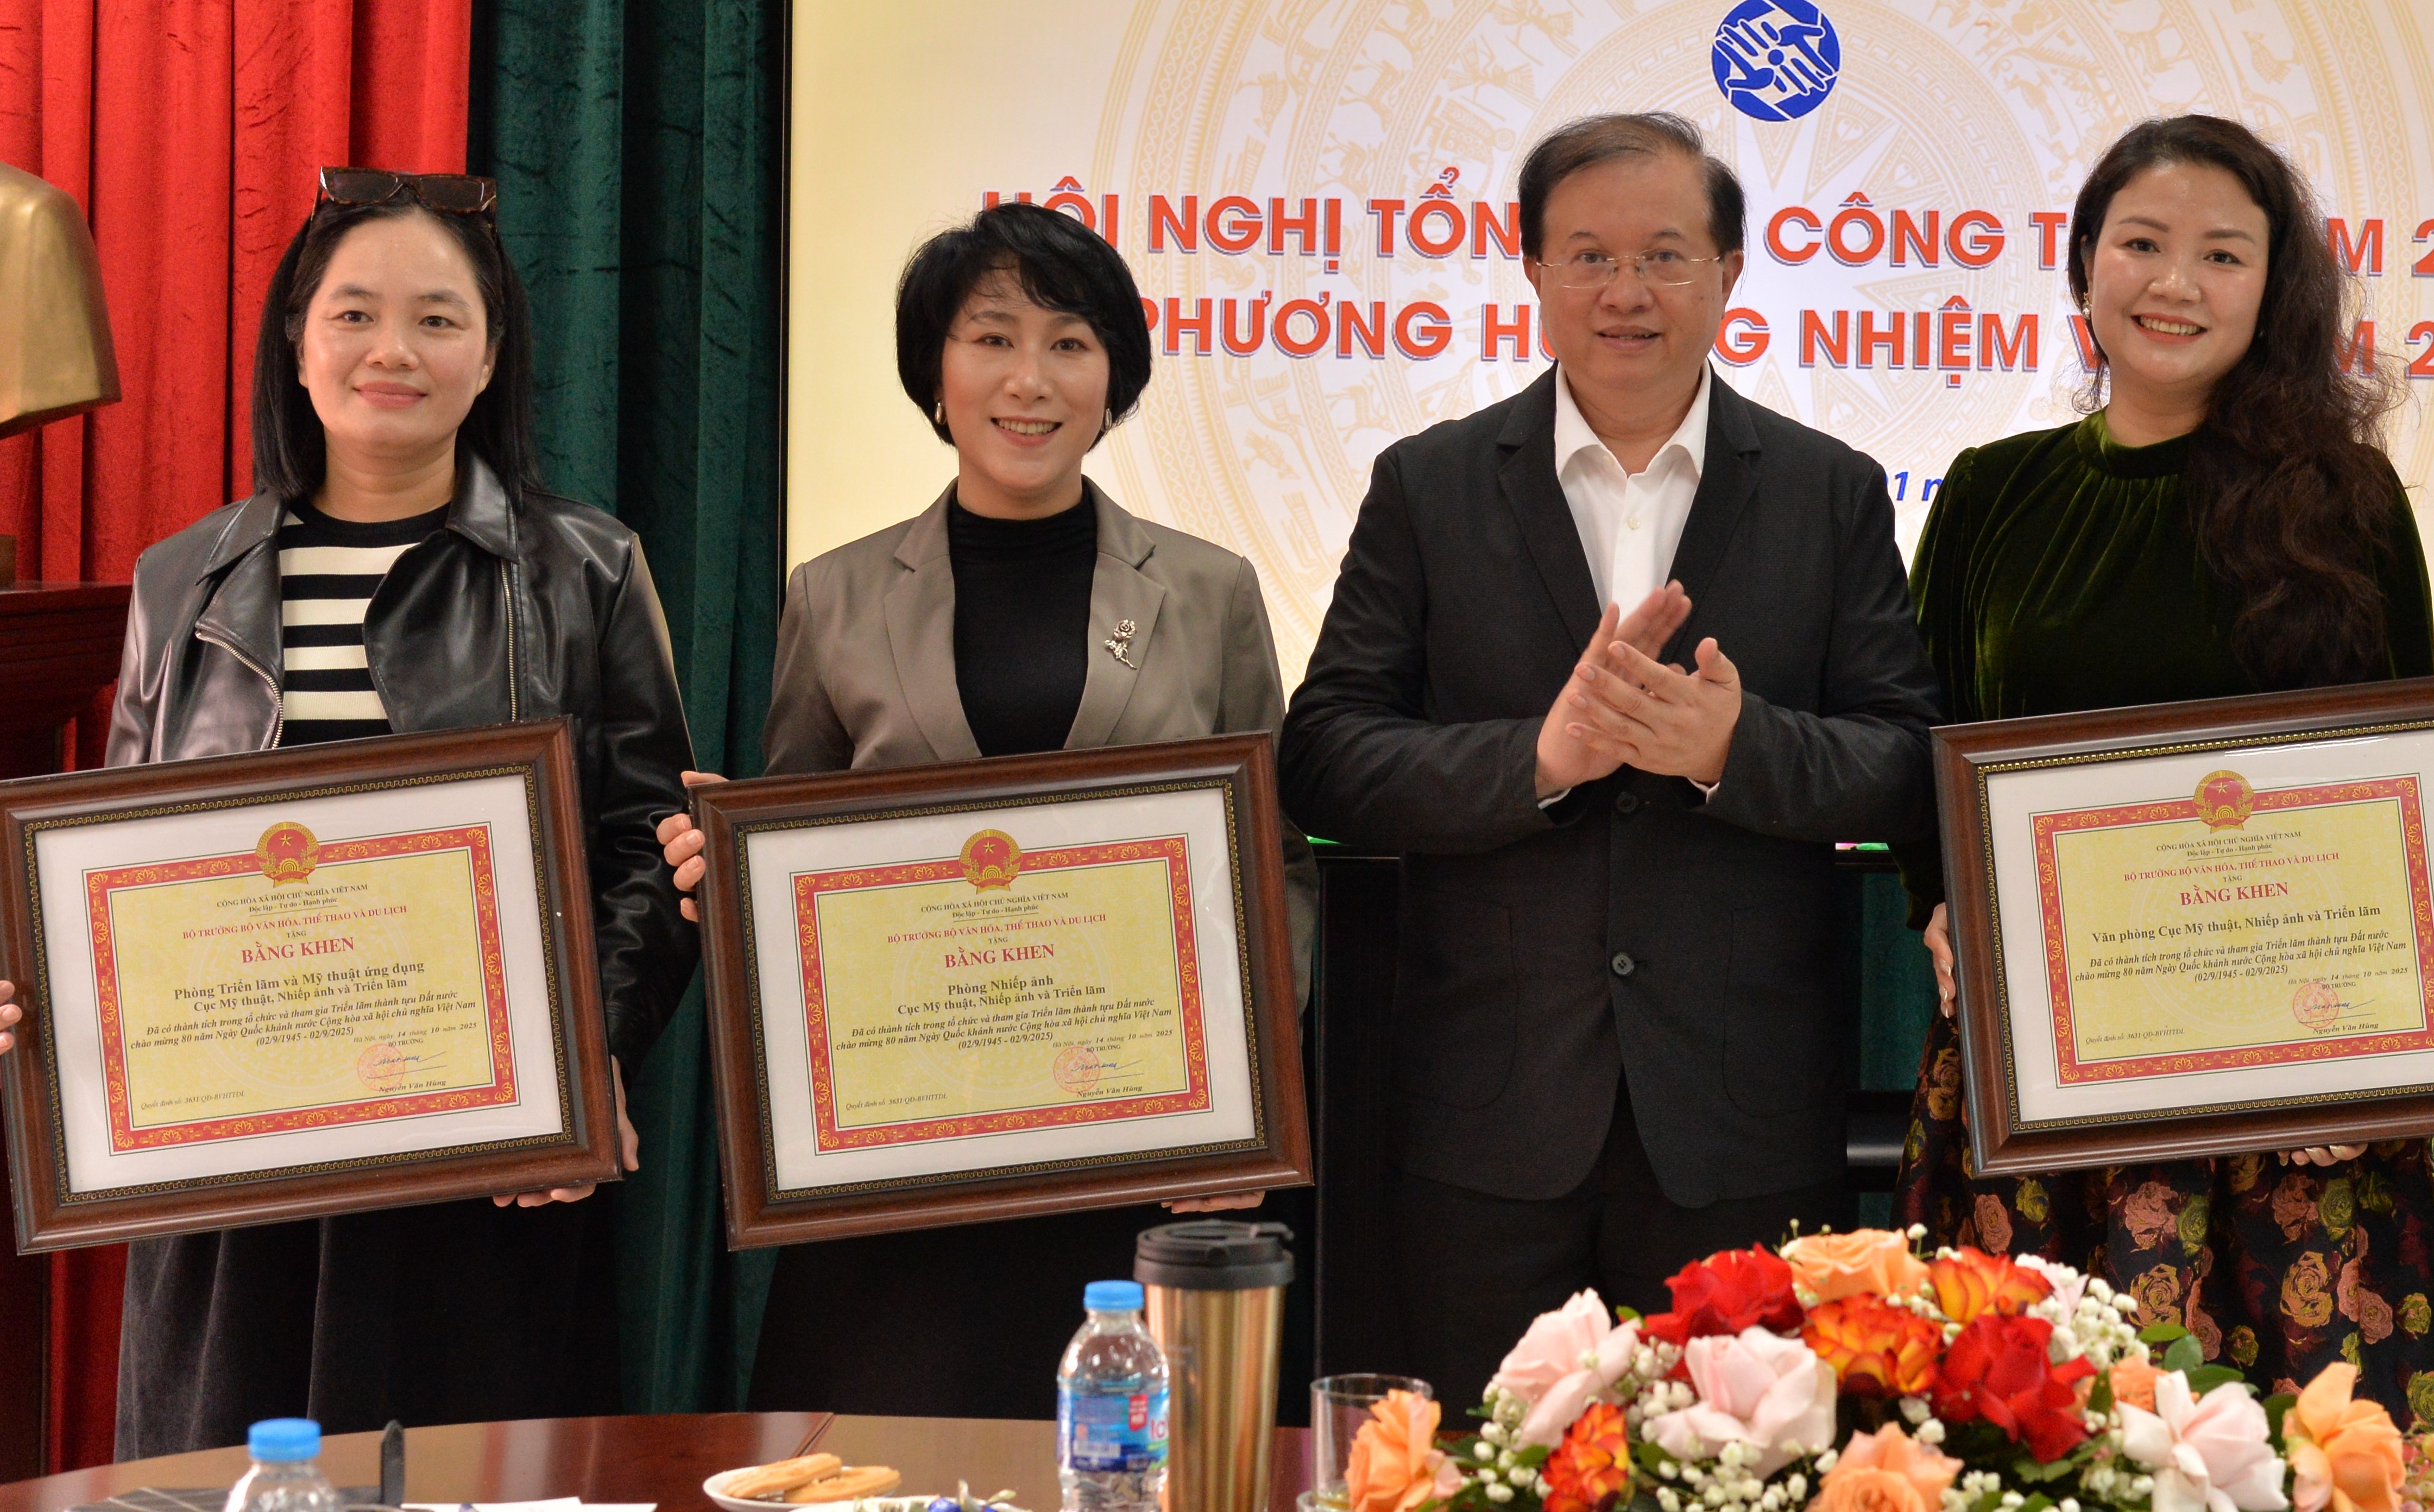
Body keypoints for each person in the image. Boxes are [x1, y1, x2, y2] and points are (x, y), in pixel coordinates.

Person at [0, 168, 696, 1453]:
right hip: (233, 1178)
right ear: (296, 340)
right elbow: (119, 873)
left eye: (438, 318)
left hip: (487, 1171)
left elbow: (647, 853)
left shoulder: (586, 569)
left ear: (492, 354)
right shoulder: (181, 580)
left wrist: (580, 1055)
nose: (393, 351)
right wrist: (40, 988)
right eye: (355, 314)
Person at [1278, 110, 1939, 1402]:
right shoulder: (1429, 485)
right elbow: (1328, 754)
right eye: (1587, 256)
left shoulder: (1829, 490)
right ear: (1532, 269)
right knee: (1480, 1475)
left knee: (1737, 1475)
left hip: (1741, 1127)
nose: (1625, 292)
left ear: (1729, 273)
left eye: (1664, 256)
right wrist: (1538, 757)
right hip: (1488, 1126)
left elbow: (1909, 759)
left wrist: (1736, 748)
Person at [652, 200, 1316, 1419]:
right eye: (993, 339)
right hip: (909, 1158)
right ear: (936, 372)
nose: (1030, 379)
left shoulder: (1209, 591)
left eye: (1070, 343)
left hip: (1137, 1141)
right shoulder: (835, 596)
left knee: (1130, 1468)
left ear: (1115, 379)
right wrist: (726, 877)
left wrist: (1249, 1105)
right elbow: (800, 874)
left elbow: (1272, 867)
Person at [1890, 115, 2434, 1431]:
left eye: (2222, 254)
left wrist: (2378, 1058)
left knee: (2307, 1460)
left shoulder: (2350, 502)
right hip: (2046, 1067)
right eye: (2141, 244)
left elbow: (2405, 795)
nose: (2175, 284)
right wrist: (1939, 901)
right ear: (2087, 262)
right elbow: (1926, 738)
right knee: (2037, 1447)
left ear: (2274, 288)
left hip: (2293, 1091)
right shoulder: (1991, 494)